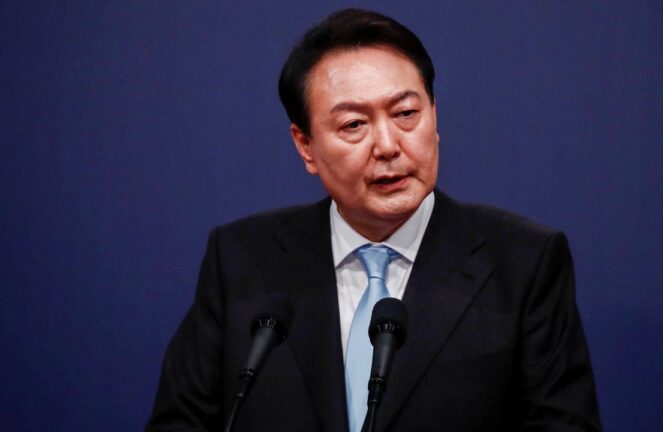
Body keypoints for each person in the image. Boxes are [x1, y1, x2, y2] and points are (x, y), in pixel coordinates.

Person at [146, 8, 601, 432]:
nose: (387, 145)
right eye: (353, 125)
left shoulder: (522, 263)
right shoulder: (241, 259)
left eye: (406, 114)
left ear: (434, 117)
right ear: (305, 145)